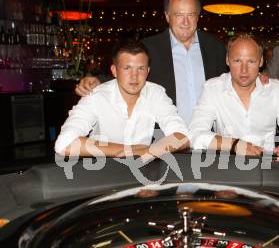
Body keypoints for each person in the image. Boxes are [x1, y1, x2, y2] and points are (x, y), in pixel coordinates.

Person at [75, 0, 227, 126]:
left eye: (191, 14)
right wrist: (97, 81)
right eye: (178, 14)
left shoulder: (216, 48)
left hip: (207, 138)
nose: (185, 22)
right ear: (167, 16)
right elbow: (128, 75)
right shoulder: (149, 47)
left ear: (198, 16)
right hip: (164, 139)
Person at [55, 39, 188, 159]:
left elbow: (182, 136)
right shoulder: (97, 96)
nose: (134, 76)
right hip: (101, 173)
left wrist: (150, 152)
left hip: (142, 172)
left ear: (147, 71)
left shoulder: (156, 94)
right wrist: (128, 150)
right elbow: (64, 143)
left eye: (140, 69)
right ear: (114, 71)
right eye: (127, 68)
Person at [189, 33, 279, 160]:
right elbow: (195, 135)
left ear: (261, 61)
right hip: (227, 168)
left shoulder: (275, 90)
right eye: (237, 61)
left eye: (251, 61)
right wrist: (234, 145)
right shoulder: (213, 89)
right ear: (227, 60)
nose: (244, 69)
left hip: (266, 169)